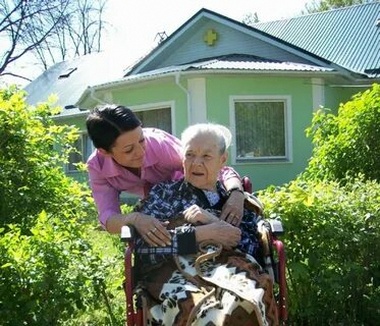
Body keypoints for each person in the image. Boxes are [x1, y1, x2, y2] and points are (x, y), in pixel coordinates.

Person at [132, 123, 278, 326]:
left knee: (243, 302)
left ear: (222, 160)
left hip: (233, 273)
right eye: (190, 155)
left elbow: (253, 248)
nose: (196, 163)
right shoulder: (165, 194)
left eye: (206, 156)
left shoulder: (235, 202)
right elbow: (144, 248)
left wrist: (213, 221)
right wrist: (198, 235)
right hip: (176, 275)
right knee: (201, 308)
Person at [86, 104, 246, 236]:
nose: (141, 152)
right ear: (105, 152)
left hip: (191, 198)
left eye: (142, 140)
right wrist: (134, 219)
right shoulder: (98, 167)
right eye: (129, 150)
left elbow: (214, 167)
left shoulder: (160, 146)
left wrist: (236, 194)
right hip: (160, 208)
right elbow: (108, 217)